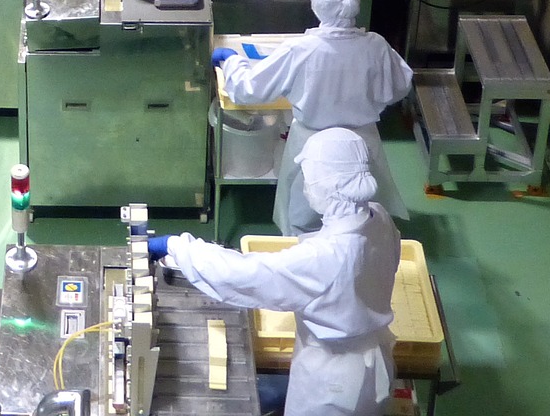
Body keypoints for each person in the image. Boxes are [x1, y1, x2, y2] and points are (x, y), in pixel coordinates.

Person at [152, 128, 400, 416]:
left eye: (309, 179)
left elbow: (245, 274)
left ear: (328, 185)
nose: (306, 187)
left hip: (332, 385)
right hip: (373, 363)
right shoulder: (378, 217)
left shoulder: (327, 257)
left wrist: (177, 247)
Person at [215, 0, 413, 231]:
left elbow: (247, 90)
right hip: (362, 145)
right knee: (358, 220)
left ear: (316, 2)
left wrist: (231, 61)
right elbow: (400, 86)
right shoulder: (376, 46)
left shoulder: (301, 50)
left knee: (304, 222)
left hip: (312, 148)